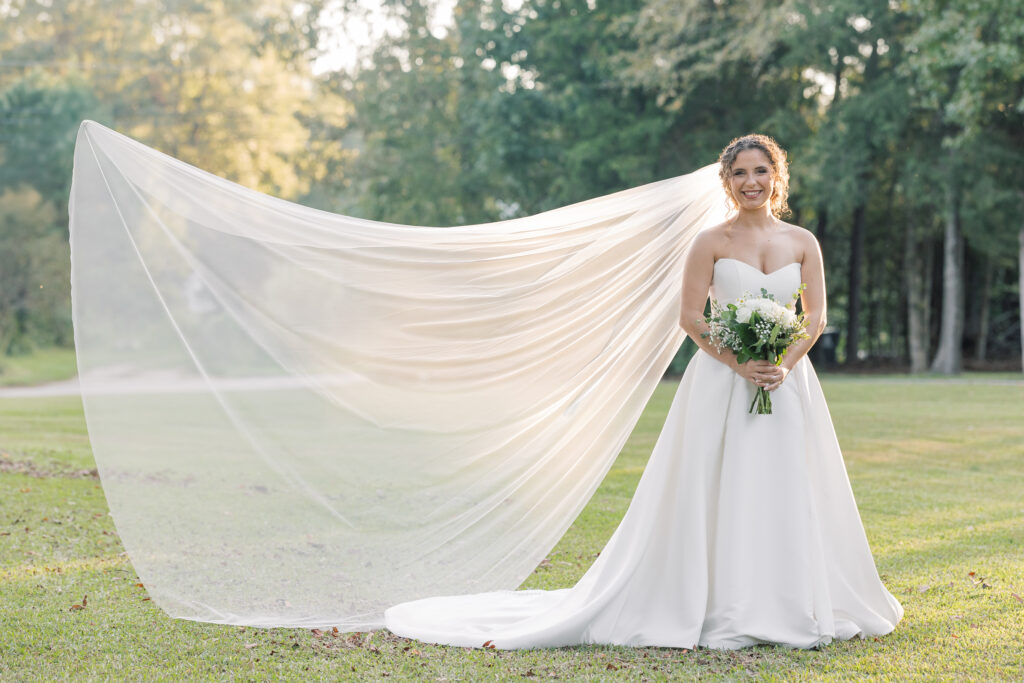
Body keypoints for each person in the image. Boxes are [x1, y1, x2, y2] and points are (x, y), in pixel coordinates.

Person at [383, 133, 903, 650]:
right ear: (727, 181)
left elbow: (815, 319)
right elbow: (691, 317)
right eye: (740, 173)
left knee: (785, 484)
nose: (751, 182)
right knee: (713, 487)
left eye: (760, 171)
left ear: (777, 177)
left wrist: (782, 367)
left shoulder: (802, 242)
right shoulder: (711, 242)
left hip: (787, 386)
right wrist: (739, 362)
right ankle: (719, 601)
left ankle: (789, 599)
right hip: (721, 384)